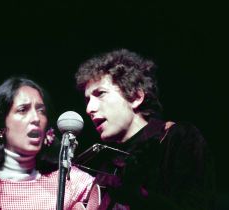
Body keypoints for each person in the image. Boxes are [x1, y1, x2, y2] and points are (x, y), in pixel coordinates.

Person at [75, 49, 215, 209]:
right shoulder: (105, 165)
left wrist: (139, 197)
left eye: (100, 94)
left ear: (135, 97)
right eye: (87, 100)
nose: (89, 109)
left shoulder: (177, 139)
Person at [0, 76, 96, 210]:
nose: (36, 118)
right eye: (23, 110)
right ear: (2, 124)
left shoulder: (71, 181)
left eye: (41, 110)